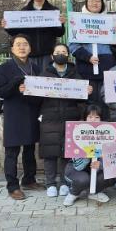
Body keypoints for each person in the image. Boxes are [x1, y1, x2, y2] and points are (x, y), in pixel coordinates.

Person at [38, 43, 92, 197]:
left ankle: (64, 182)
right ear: (52, 55)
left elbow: (82, 99)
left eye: (63, 52)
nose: (60, 54)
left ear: (68, 55)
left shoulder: (75, 74)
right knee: (50, 151)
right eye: (57, 52)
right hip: (49, 118)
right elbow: (36, 98)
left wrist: (87, 92)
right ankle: (50, 183)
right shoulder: (44, 74)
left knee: (66, 153)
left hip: (70, 117)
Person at [0, 34, 42, 200]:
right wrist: (16, 84)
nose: (22, 47)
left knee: (29, 149)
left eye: (25, 44)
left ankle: (29, 179)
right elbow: (2, 92)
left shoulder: (35, 68)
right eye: (18, 44)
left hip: (31, 112)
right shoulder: (3, 69)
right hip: (14, 114)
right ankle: (12, 186)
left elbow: (41, 92)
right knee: (12, 152)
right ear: (12, 49)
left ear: (30, 48)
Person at [2, 0, 65, 72]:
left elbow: (60, 33)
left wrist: (61, 24)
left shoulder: (53, 11)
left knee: (46, 79)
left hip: (47, 54)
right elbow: (15, 33)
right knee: (30, 80)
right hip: (29, 54)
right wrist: (7, 26)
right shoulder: (24, 12)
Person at [63, 105, 116, 206]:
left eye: (97, 117)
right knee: (83, 179)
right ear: (85, 118)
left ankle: (94, 192)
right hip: (77, 169)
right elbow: (78, 167)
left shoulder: (107, 133)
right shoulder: (76, 131)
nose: (93, 120)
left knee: (112, 174)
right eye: (90, 117)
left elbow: (112, 160)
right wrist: (87, 154)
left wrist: (100, 165)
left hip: (96, 169)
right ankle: (73, 193)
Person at [69, 0, 116, 109]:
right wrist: (88, 57)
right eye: (91, 0)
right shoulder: (78, 20)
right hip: (86, 70)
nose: (95, 3)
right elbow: (73, 46)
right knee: (89, 107)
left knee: (106, 104)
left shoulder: (110, 20)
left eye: (98, 1)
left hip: (107, 69)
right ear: (86, 3)